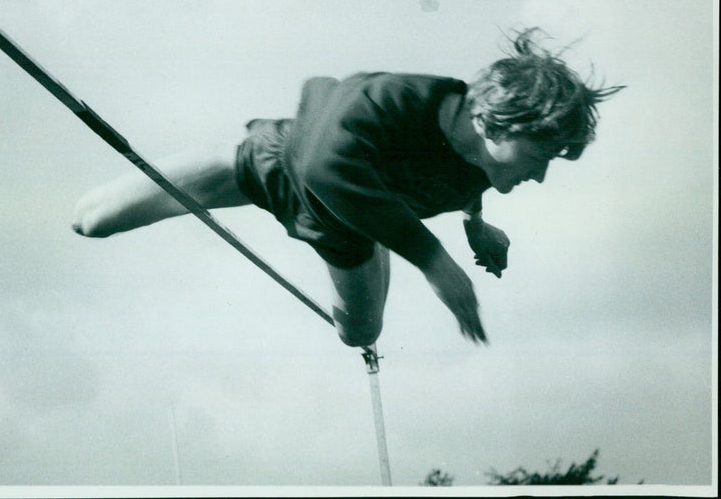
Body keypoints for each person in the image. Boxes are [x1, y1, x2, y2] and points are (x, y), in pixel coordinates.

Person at [71, 28, 625, 348]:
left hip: (347, 232)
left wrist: (476, 227)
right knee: (90, 220)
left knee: (359, 335)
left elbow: (465, 183)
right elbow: (323, 167)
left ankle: (372, 238)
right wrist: (435, 260)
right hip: (276, 164)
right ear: (490, 121)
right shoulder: (394, 99)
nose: (541, 175)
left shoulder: (482, 161)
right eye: (540, 155)